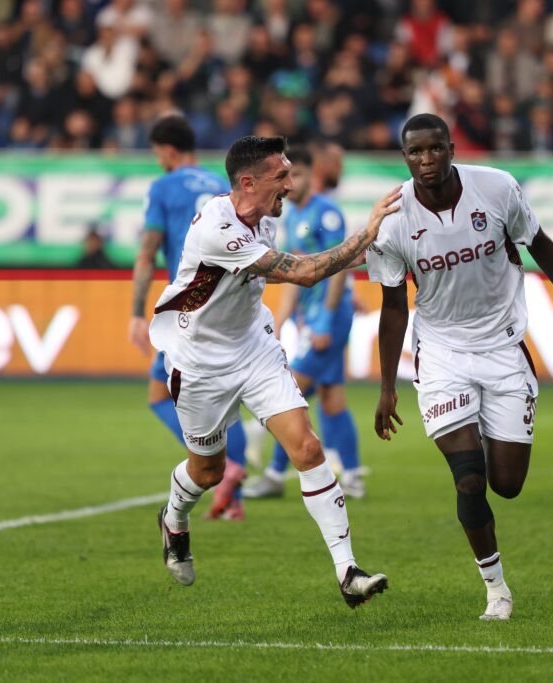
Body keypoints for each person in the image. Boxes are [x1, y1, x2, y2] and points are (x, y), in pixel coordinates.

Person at [367, 114, 553, 621]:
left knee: (507, 484)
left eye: (436, 149)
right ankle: (496, 590)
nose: (427, 160)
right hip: (440, 356)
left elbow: (540, 245)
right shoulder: (391, 220)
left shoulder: (497, 188)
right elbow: (393, 307)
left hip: (503, 349)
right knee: (469, 480)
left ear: (452, 148)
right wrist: (387, 386)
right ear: (405, 157)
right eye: (416, 152)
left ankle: (480, 429)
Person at [149, 134, 399, 606]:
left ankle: (348, 571)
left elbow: (281, 275)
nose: (290, 182)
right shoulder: (219, 228)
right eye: (281, 175)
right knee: (207, 472)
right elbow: (302, 272)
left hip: (253, 350)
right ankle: (174, 518)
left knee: (307, 446)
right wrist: (368, 235)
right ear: (248, 182)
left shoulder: (264, 218)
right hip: (199, 361)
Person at [128, 114, 248, 521]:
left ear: (167, 150)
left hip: (186, 301)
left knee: (158, 394)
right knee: (230, 399)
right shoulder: (221, 182)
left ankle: (224, 464)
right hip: (230, 297)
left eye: (158, 152)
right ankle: (235, 501)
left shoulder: (163, 186)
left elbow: (147, 252)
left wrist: (135, 312)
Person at [243, 146, 364, 499]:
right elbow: (294, 274)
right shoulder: (291, 216)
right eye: (286, 176)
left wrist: (326, 320)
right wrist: (279, 321)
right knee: (332, 399)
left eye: (298, 174)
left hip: (331, 317)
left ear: (314, 174)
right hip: (311, 319)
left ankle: (271, 465)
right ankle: (353, 474)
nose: (292, 182)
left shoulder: (326, 212)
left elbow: (339, 266)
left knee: (290, 393)